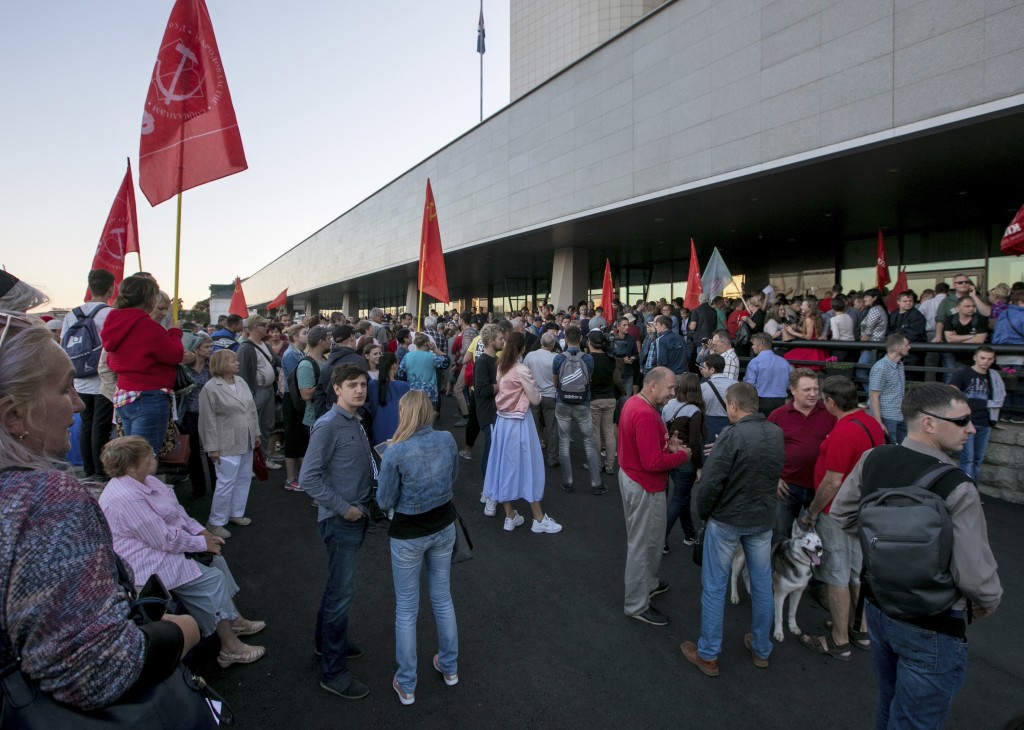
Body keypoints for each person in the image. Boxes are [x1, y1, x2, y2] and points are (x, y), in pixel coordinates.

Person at [0, 312, 199, 711]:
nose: (78, 404)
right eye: (65, 389)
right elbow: (97, 670)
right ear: (14, 415)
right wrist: (184, 630)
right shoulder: (45, 500)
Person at [830, 384, 1002, 729]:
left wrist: (885, 547)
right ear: (929, 423)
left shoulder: (873, 458)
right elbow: (974, 575)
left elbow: (843, 514)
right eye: (962, 420)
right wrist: (988, 600)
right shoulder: (958, 485)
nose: (971, 428)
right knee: (914, 721)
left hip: (879, 606)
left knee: (889, 701)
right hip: (932, 620)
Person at [98, 436, 266, 669]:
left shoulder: (145, 481)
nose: (154, 457)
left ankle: (233, 620)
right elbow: (163, 538)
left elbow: (177, 513)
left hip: (158, 548)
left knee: (216, 561)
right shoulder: (125, 498)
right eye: (148, 455)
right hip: (143, 562)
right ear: (131, 466)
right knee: (211, 580)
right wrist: (201, 544)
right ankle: (230, 648)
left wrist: (202, 533)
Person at [682, 382, 784, 677]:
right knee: (762, 585)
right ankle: (762, 648)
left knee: (715, 587)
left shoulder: (732, 434)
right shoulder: (776, 432)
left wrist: (704, 513)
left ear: (734, 405)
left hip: (728, 519)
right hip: (762, 519)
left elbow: (711, 482)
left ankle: (708, 653)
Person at [376, 391, 460, 706]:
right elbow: (452, 478)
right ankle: (449, 667)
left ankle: (408, 683)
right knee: (443, 599)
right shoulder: (447, 440)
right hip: (444, 526)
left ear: (405, 413)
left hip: (408, 534)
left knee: (407, 610)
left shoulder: (395, 452)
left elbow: (384, 500)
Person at [300, 364, 374, 701]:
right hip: (341, 520)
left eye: (363, 384)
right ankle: (333, 672)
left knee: (336, 588)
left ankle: (326, 644)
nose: (359, 390)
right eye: (352, 385)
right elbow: (308, 478)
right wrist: (345, 508)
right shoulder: (328, 424)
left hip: (355, 515)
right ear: (337, 389)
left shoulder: (355, 419)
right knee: (341, 593)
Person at [798, 376, 885, 660]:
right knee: (856, 572)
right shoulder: (871, 423)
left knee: (837, 574)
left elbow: (832, 482)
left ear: (831, 402)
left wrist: (812, 512)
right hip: (862, 509)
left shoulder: (843, 432)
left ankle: (839, 640)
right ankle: (861, 629)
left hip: (835, 512)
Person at [617, 367, 691, 626]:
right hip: (644, 485)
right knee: (643, 545)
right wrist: (681, 456)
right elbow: (652, 463)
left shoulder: (635, 403)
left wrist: (666, 446)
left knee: (649, 541)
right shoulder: (646, 413)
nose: (673, 393)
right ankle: (636, 604)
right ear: (653, 385)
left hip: (636, 480)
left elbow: (644, 448)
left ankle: (648, 584)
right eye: (670, 388)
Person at [483, 331, 563, 533]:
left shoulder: (501, 367)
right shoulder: (521, 369)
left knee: (503, 466)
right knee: (529, 466)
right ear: (523, 348)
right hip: (519, 423)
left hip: (502, 422)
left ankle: (510, 516)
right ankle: (538, 518)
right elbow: (535, 399)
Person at [101, 274, 183, 456]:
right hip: (149, 396)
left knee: (132, 456)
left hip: (124, 396)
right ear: (149, 298)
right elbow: (175, 355)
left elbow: (109, 360)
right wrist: (175, 333)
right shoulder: (147, 326)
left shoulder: (114, 322)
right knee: (145, 458)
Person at [198, 349, 260, 539]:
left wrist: (256, 433)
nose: (237, 363)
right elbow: (206, 420)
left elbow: (251, 410)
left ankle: (236, 512)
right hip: (225, 443)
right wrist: (211, 447)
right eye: (233, 360)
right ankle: (215, 522)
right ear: (222, 364)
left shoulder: (240, 381)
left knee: (243, 478)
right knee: (225, 483)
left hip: (246, 439)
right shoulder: (210, 388)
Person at [767, 369, 836, 542]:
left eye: (816, 389)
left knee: (822, 539)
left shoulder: (830, 413)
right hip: (787, 488)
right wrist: (774, 477)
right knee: (780, 537)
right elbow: (766, 449)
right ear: (793, 390)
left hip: (820, 487)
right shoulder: (777, 416)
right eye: (807, 390)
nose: (813, 394)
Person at [60, 268, 115, 478]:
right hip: (103, 378)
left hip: (80, 377)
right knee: (101, 426)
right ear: (111, 289)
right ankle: (101, 472)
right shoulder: (111, 314)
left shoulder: (71, 315)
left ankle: (89, 470)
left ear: (89, 287)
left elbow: (64, 346)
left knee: (87, 425)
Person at [552, 326, 603, 494]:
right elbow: (588, 379)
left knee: (564, 442)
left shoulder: (559, 358)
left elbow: (555, 382)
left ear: (565, 339)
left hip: (563, 402)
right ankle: (596, 483)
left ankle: (567, 482)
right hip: (582, 403)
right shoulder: (588, 358)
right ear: (581, 339)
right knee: (588, 442)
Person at [661, 373, 705, 552]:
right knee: (680, 499)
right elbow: (694, 443)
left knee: (682, 497)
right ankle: (661, 538)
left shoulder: (668, 405)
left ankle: (689, 533)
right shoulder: (694, 411)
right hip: (686, 460)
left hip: (670, 456)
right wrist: (699, 466)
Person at [950, 346, 1003, 480]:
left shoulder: (993, 376)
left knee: (978, 459)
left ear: (993, 360)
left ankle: (973, 488)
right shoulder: (963, 374)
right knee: (967, 458)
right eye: (982, 358)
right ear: (975, 357)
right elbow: (951, 392)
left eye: (989, 359)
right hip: (967, 422)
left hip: (985, 421)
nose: (986, 361)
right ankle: (968, 489)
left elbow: (998, 396)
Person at [236, 314, 279, 467]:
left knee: (266, 426)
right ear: (255, 327)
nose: (266, 327)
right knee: (252, 427)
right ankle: (250, 463)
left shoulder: (264, 345)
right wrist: (248, 395)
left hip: (268, 390)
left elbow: (276, 361)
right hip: (256, 392)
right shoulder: (245, 348)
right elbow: (242, 374)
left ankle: (263, 459)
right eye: (263, 325)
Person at [180, 331, 216, 498]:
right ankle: (198, 488)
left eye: (210, 346)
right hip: (189, 413)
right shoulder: (184, 368)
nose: (210, 349)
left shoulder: (212, 366)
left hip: (209, 413)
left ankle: (217, 487)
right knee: (192, 452)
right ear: (195, 349)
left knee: (212, 450)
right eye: (206, 347)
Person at [523, 330, 560, 468]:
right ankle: (553, 458)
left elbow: (524, 374)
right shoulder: (557, 357)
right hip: (550, 396)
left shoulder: (530, 356)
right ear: (553, 344)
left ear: (540, 342)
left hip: (533, 395)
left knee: (533, 427)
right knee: (552, 428)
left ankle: (533, 457)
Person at [868, 333, 910, 443]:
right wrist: (878, 422)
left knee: (904, 447)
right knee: (891, 449)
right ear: (898, 348)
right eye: (906, 345)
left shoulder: (900, 365)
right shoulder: (881, 367)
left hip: (899, 415)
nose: (909, 347)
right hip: (887, 417)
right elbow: (873, 395)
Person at [587, 330, 618, 475]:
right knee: (609, 432)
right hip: (610, 397)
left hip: (594, 398)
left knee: (595, 433)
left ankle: (597, 463)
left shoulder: (588, 359)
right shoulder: (610, 358)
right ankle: (610, 464)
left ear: (590, 343)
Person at [992, 286, 1024, 423]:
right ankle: (1018, 415)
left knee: (1007, 385)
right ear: (1021, 302)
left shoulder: (1003, 313)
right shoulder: (1022, 315)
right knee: (1019, 386)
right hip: (1019, 355)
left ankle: (1005, 414)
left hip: (1002, 356)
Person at [366, 352, 411, 446]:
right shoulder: (403, 386)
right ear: (394, 366)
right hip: (399, 429)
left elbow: (372, 407)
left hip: (379, 426)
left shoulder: (372, 385)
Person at [398, 333, 450, 411]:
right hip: (428, 392)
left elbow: (401, 374)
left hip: (412, 390)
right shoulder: (432, 356)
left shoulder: (407, 356)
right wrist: (435, 349)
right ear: (426, 343)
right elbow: (446, 362)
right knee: (426, 414)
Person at [743, 332, 792, 415]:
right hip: (781, 401)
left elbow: (750, 385)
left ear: (761, 346)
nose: (752, 347)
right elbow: (789, 383)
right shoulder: (784, 362)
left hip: (762, 401)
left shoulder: (754, 362)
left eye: (753, 344)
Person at [698, 354, 739, 444]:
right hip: (732, 424)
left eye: (704, 367)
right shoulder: (736, 385)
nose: (702, 370)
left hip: (710, 425)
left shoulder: (703, 387)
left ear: (712, 369)